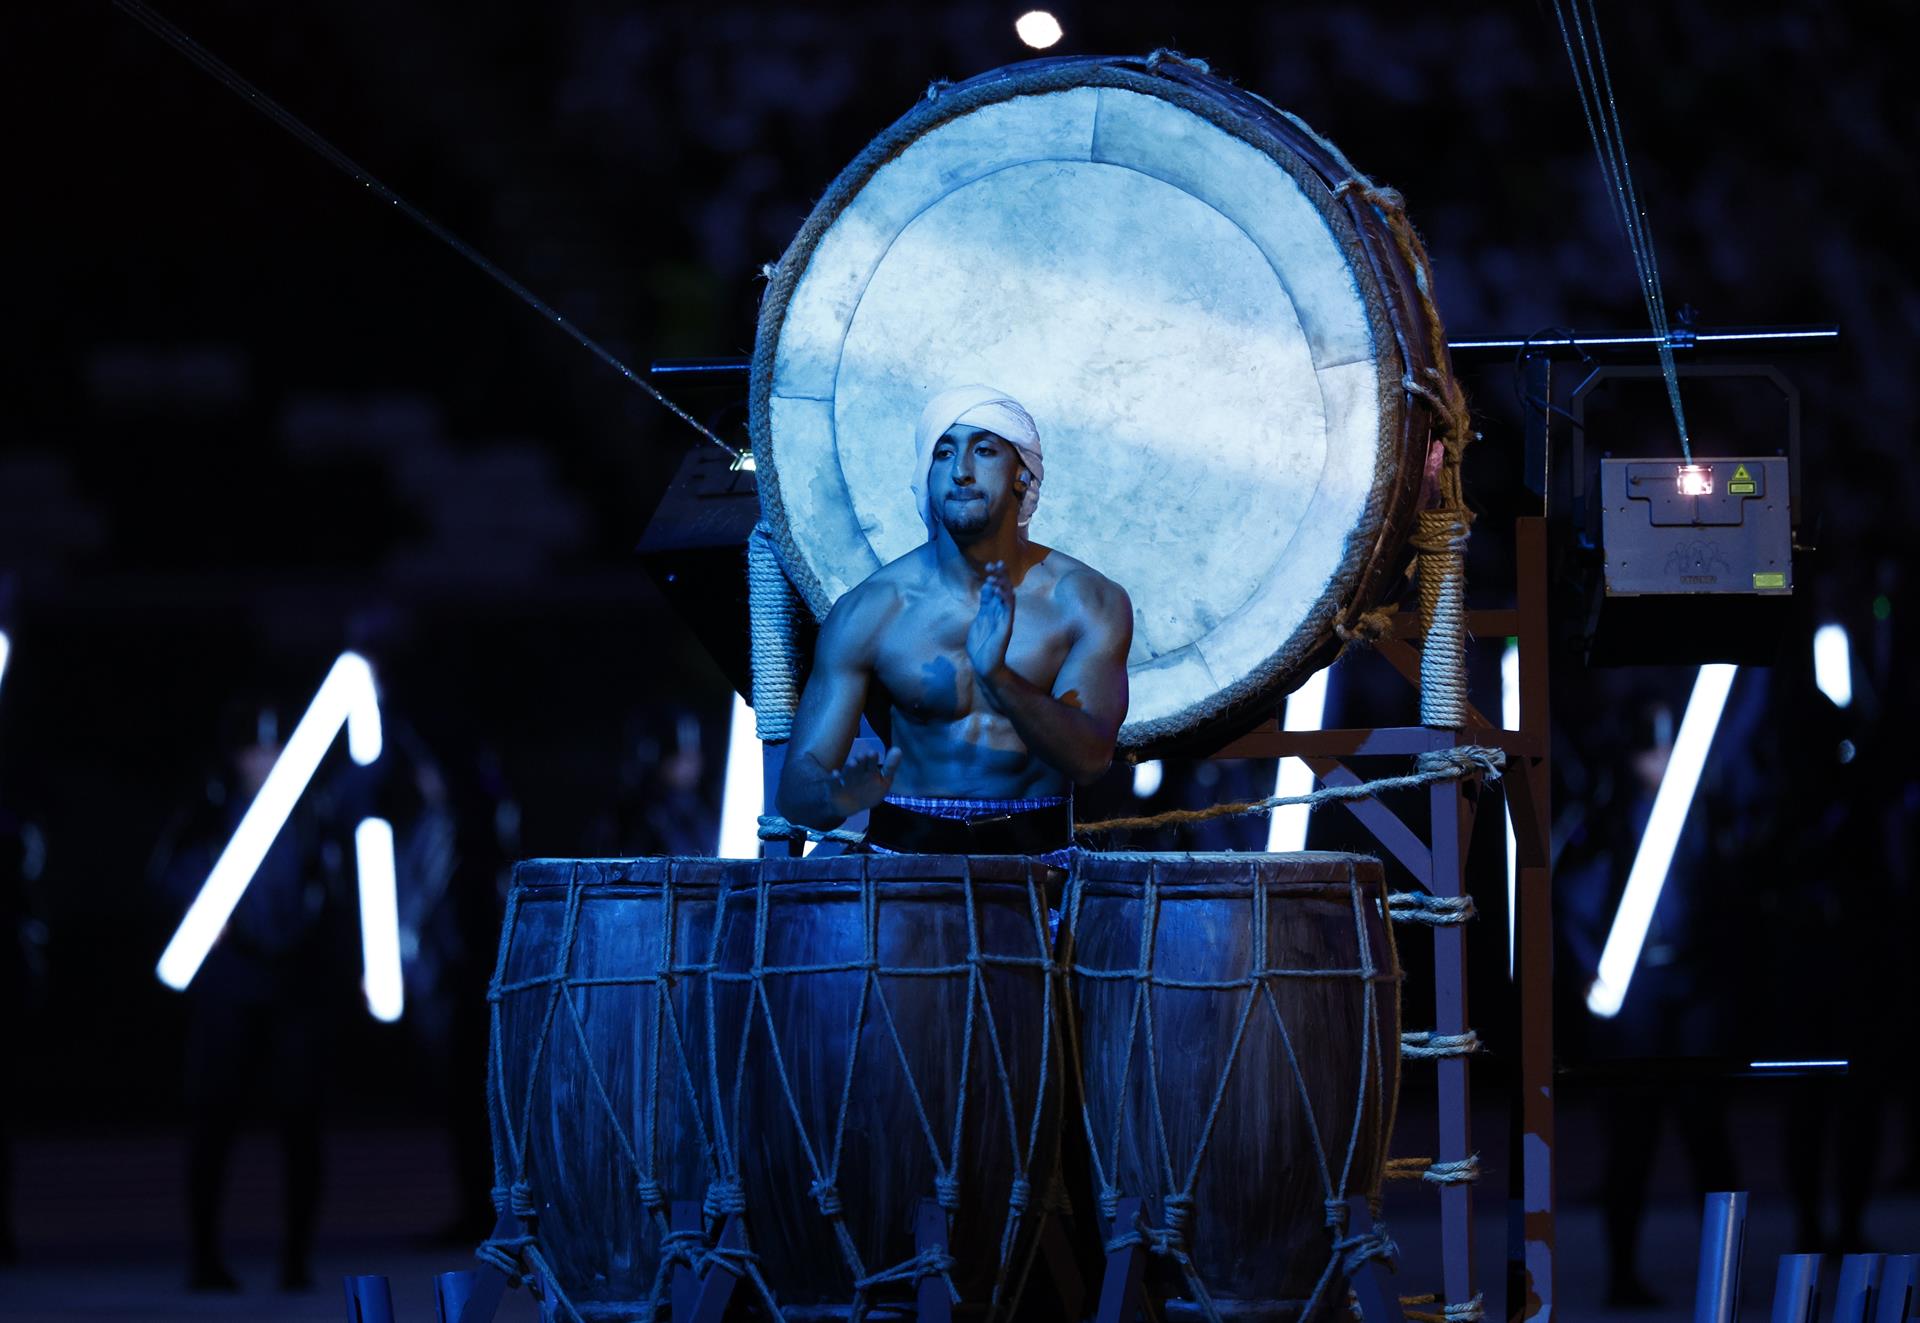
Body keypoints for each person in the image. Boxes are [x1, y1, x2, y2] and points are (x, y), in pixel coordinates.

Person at [776, 385, 1131, 859]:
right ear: (927, 475)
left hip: (1041, 867)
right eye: (943, 454)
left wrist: (999, 678)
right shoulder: (871, 610)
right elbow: (798, 787)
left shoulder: (1086, 602)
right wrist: (834, 797)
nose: (961, 471)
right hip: (899, 862)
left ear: (1021, 477)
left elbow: (1089, 759)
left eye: (984, 451)